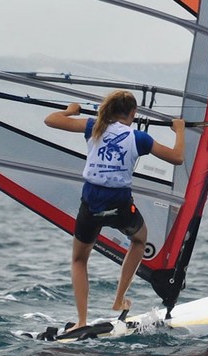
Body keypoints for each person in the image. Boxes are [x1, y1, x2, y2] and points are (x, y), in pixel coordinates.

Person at [44, 90, 185, 331]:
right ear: (133, 113)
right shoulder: (139, 137)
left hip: (91, 203)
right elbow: (177, 157)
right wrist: (179, 130)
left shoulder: (93, 126)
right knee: (139, 240)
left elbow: (50, 120)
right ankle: (119, 299)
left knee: (79, 259)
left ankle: (81, 321)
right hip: (119, 205)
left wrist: (70, 110)